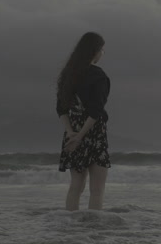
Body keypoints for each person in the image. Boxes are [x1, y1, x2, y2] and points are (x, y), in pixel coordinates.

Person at [55, 31, 111, 211]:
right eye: (102, 49)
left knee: (76, 187)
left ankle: (72, 229)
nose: (102, 53)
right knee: (97, 190)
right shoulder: (99, 76)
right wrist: (80, 136)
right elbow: (95, 112)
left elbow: (61, 109)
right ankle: (92, 232)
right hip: (93, 133)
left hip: (73, 132)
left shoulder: (68, 75)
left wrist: (72, 132)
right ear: (94, 51)